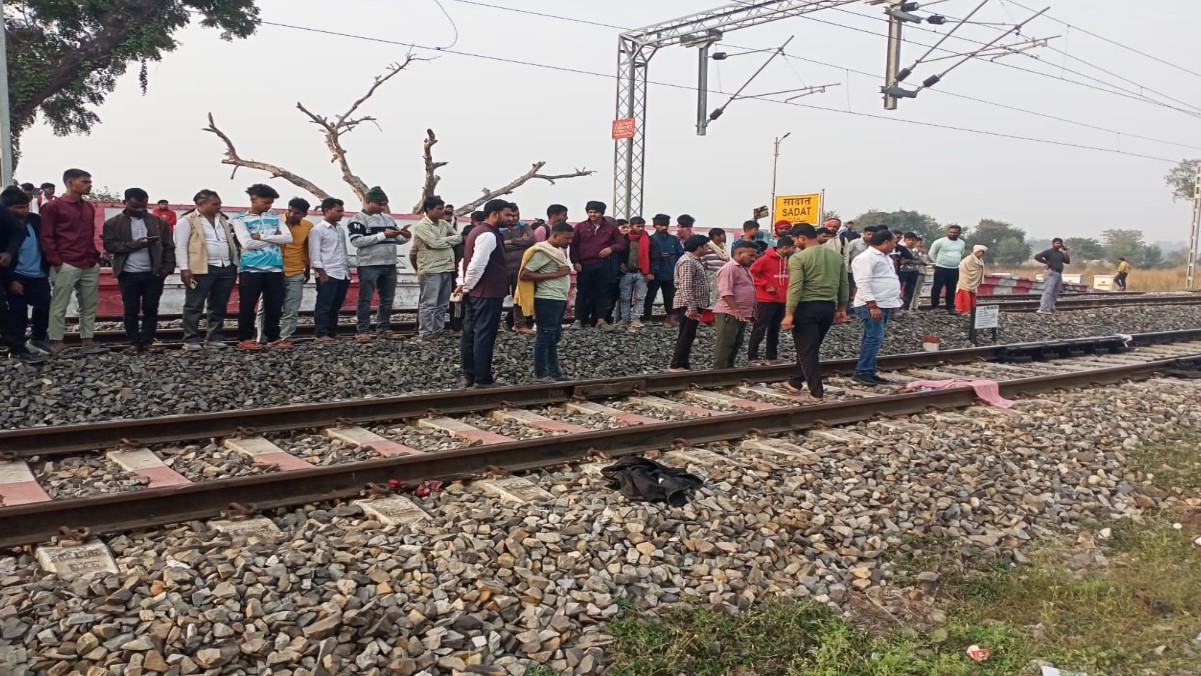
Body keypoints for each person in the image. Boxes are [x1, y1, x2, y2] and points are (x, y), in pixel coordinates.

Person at [39, 168, 108, 355]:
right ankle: (57, 343)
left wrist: (95, 258)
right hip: (65, 262)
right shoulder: (53, 207)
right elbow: (46, 236)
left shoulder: (88, 207)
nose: (89, 185)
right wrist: (56, 261)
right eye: (84, 181)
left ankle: (88, 341)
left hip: (88, 261)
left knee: (89, 305)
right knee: (59, 305)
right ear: (70, 182)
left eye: (89, 181)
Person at [101, 188, 175, 353]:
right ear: (125, 203)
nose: (141, 210)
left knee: (151, 308)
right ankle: (134, 342)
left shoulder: (158, 222)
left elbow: (169, 246)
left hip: (154, 273)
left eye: (144, 206)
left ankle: (147, 341)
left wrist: (167, 268)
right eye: (135, 207)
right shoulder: (113, 223)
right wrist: (136, 244)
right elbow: (110, 246)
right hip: (128, 274)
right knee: (130, 309)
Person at [779, 225, 847, 401]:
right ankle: (795, 381)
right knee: (809, 348)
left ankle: (816, 392)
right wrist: (842, 308)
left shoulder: (798, 258)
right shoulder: (836, 256)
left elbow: (795, 287)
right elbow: (844, 284)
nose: (794, 244)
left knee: (808, 351)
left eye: (794, 240)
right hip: (827, 308)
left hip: (806, 308)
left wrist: (789, 313)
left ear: (802, 237)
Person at [457, 199, 513, 388]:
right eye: (507, 214)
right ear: (495, 214)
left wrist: (464, 285)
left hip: (475, 291)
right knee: (483, 335)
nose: (510, 218)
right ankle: (483, 378)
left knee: (469, 333)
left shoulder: (476, 231)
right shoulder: (488, 235)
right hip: (486, 292)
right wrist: (467, 285)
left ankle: (468, 375)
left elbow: (464, 262)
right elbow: (477, 264)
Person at [176, 190, 239, 351]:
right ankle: (191, 340)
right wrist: (184, 268)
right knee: (194, 305)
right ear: (201, 204)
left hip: (225, 267)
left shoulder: (222, 220)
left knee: (218, 305)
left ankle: (214, 338)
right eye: (215, 204)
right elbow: (181, 246)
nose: (220, 206)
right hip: (200, 268)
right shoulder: (187, 221)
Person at [231, 184, 292, 350]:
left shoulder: (276, 216)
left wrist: (261, 236)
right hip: (251, 268)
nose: (269, 206)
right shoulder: (239, 219)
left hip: (275, 268)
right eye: (265, 202)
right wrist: (273, 237)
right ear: (253, 200)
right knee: (247, 305)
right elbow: (247, 243)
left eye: (271, 202)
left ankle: (273, 337)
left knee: (274, 304)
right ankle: (245, 338)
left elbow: (287, 238)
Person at [348, 186, 410, 339]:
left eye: (384, 204)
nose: (383, 207)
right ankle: (363, 330)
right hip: (369, 264)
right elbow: (357, 241)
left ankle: (383, 328)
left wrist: (405, 236)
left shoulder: (388, 219)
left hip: (389, 264)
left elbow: (397, 240)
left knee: (387, 299)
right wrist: (383, 235)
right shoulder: (357, 219)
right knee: (365, 299)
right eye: (380, 204)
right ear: (369, 202)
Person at [517, 221, 574, 380]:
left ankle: (554, 372)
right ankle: (541, 373)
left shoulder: (555, 251)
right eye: (567, 238)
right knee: (545, 335)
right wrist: (556, 275)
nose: (569, 242)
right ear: (555, 235)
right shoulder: (542, 251)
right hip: (547, 298)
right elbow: (525, 274)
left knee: (553, 336)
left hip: (557, 298)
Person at [1, 188, 51, 355]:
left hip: (39, 273)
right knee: (18, 313)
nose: (24, 211)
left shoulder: (35, 221)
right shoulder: (4, 227)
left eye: (25, 206)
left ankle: (38, 337)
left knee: (44, 306)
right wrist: (10, 280)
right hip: (16, 275)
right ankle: (18, 348)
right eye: (18, 207)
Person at [850, 229, 902, 386]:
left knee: (873, 338)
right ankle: (862, 372)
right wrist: (872, 306)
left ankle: (869, 371)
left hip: (883, 303)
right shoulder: (866, 258)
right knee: (874, 338)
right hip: (871, 304)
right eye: (894, 241)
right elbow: (863, 283)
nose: (895, 244)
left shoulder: (884, 257)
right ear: (886, 242)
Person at [261, 197, 313, 343]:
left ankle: (285, 338)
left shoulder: (308, 226)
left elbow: (306, 249)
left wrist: (307, 270)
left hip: (295, 271)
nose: (291, 215)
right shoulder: (274, 222)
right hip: (272, 270)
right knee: (266, 307)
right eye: (289, 210)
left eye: (296, 213)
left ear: (304, 214)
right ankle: (262, 338)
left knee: (292, 307)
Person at [412, 195, 462, 340]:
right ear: (429, 210)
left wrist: (443, 240)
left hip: (446, 268)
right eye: (439, 209)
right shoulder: (422, 226)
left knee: (442, 303)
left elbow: (458, 237)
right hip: (430, 269)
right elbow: (435, 243)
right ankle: (426, 332)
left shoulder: (443, 224)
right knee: (429, 303)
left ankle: (437, 331)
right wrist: (447, 240)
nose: (442, 211)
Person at [569, 200, 625, 329]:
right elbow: (574, 245)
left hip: (603, 264)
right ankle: (578, 320)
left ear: (602, 213)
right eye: (590, 212)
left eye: (595, 212)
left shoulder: (610, 228)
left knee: (603, 292)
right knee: (583, 292)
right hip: (585, 264)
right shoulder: (580, 227)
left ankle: (601, 320)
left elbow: (621, 243)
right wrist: (575, 261)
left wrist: (611, 248)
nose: (592, 215)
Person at [747, 235, 795, 365]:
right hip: (766, 300)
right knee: (760, 328)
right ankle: (752, 357)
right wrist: (765, 284)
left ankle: (771, 356)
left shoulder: (787, 260)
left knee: (774, 329)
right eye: (792, 247)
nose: (793, 250)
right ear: (785, 248)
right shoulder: (765, 259)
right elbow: (751, 273)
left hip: (781, 300)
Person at [308, 197, 351, 343]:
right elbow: (315, 254)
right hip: (328, 272)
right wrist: (321, 273)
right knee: (324, 304)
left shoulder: (340, 230)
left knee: (336, 305)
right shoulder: (317, 230)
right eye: (338, 211)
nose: (342, 214)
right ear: (327, 210)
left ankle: (332, 332)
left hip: (342, 272)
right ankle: (321, 333)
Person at [667, 235, 710, 372]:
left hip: (692, 303)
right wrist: (691, 307)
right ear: (699, 247)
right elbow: (685, 285)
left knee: (688, 334)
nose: (707, 248)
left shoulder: (693, 260)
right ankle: (676, 364)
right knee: (686, 334)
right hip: (688, 304)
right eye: (706, 246)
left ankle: (683, 363)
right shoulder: (688, 262)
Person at [712, 241, 758, 369]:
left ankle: (729, 371)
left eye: (754, 256)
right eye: (750, 255)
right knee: (726, 344)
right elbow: (725, 291)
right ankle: (719, 373)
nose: (753, 259)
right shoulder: (729, 268)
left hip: (740, 313)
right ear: (739, 253)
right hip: (729, 312)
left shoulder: (743, 268)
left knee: (736, 342)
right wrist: (735, 309)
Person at [501, 204, 536, 333]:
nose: (514, 218)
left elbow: (531, 240)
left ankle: (520, 325)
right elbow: (497, 243)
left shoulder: (524, 226)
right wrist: (520, 242)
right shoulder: (498, 227)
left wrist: (509, 242)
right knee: (496, 297)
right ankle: (492, 324)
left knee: (520, 297)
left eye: (517, 215)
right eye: (511, 215)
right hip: (502, 268)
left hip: (520, 268)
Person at [645, 214, 682, 324]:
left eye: (666, 225)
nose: (664, 227)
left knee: (670, 297)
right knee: (650, 296)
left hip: (670, 273)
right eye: (661, 225)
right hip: (654, 273)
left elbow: (680, 253)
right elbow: (646, 256)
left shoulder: (673, 239)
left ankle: (670, 317)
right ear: (655, 226)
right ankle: (647, 318)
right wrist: (659, 256)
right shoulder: (650, 239)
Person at [616, 216, 652, 329]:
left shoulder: (649, 240)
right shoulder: (623, 239)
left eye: (642, 226)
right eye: (638, 226)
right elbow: (619, 253)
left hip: (642, 273)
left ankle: (636, 318)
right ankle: (625, 319)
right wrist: (621, 263)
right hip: (626, 272)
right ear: (632, 226)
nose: (640, 228)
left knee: (640, 297)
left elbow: (654, 257)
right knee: (625, 297)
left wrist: (651, 272)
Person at [927, 225, 966, 313]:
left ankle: (950, 307)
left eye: (955, 233)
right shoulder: (940, 242)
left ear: (959, 233)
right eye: (951, 232)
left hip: (954, 269)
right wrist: (938, 262)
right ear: (947, 232)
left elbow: (961, 253)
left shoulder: (962, 243)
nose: (953, 234)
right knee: (937, 287)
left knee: (951, 288)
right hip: (941, 268)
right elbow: (931, 253)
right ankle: (935, 307)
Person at [1034, 238, 1071, 313]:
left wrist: (1066, 253)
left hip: (1058, 273)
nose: (1059, 245)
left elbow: (1067, 261)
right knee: (1048, 291)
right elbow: (1037, 256)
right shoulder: (1049, 252)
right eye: (1057, 243)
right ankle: (1043, 308)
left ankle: (1051, 307)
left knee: (1055, 291)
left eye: (1060, 244)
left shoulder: (1060, 253)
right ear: (1053, 244)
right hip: (1051, 272)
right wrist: (1046, 262)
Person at [701, 228, 730, 321]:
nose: (724, 237)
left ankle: (717, 316)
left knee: (720, 295)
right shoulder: (708, 247)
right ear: (716, 236)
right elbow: (703, 260)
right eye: (723, 235)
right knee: (712, 295)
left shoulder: (723, 247)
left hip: (723, 275)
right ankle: (708, 318)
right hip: (712, 274)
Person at [842, 225, 879, 295]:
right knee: (850, 288)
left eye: (873, 235)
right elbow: (847, 254)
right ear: (864, 234)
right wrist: (854, 261)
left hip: (868, 272)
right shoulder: (855, 242)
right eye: (869, 234)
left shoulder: (876, 245)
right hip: (852, 270)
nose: (871, 236)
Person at [955, 245, 988, 314]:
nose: (981, 253)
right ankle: (963, 309)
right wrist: (967, 275)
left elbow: (980, 270)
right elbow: (961, 266)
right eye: (979, 251)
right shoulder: (968, 259)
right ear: (975, 251)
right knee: (964, 292)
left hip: (973, 281)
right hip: (965, 280)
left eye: (982, 252)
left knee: (971, 294)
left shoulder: (980, 260)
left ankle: (971, 309)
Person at [898, 232, 927, 310]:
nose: (911, 242)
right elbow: (900, 261)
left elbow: (922, 261)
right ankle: (897, 307)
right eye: (908, 240)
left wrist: (911, 261)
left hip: (914, 271)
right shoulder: (901, 249)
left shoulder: (917, 251)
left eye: (913, 240)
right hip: (902, 271)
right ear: (904, 240)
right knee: (899, 289)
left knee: (910, 290)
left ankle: (905, 307)